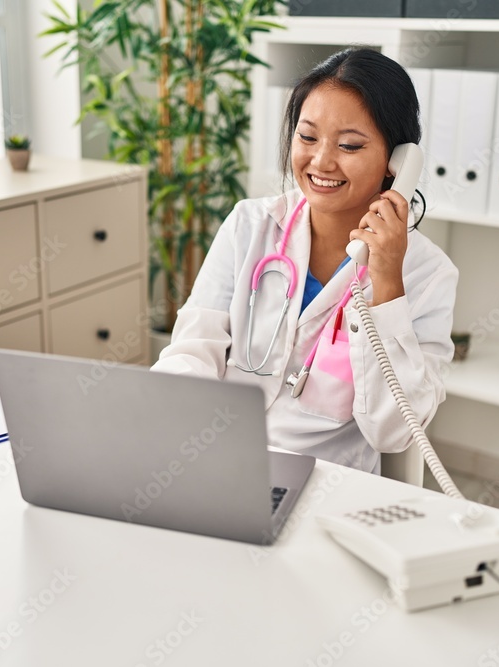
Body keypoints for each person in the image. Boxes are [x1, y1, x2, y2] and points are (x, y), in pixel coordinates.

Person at [151, 47, 458, 474]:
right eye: (307, 137)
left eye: (349, 145)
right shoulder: (250, 225)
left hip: (326, 481)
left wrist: (387, 283)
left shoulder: (428, 274)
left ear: (397, 162)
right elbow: (192, 352)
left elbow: (395, 432)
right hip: (217, 457)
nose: (321, 161)